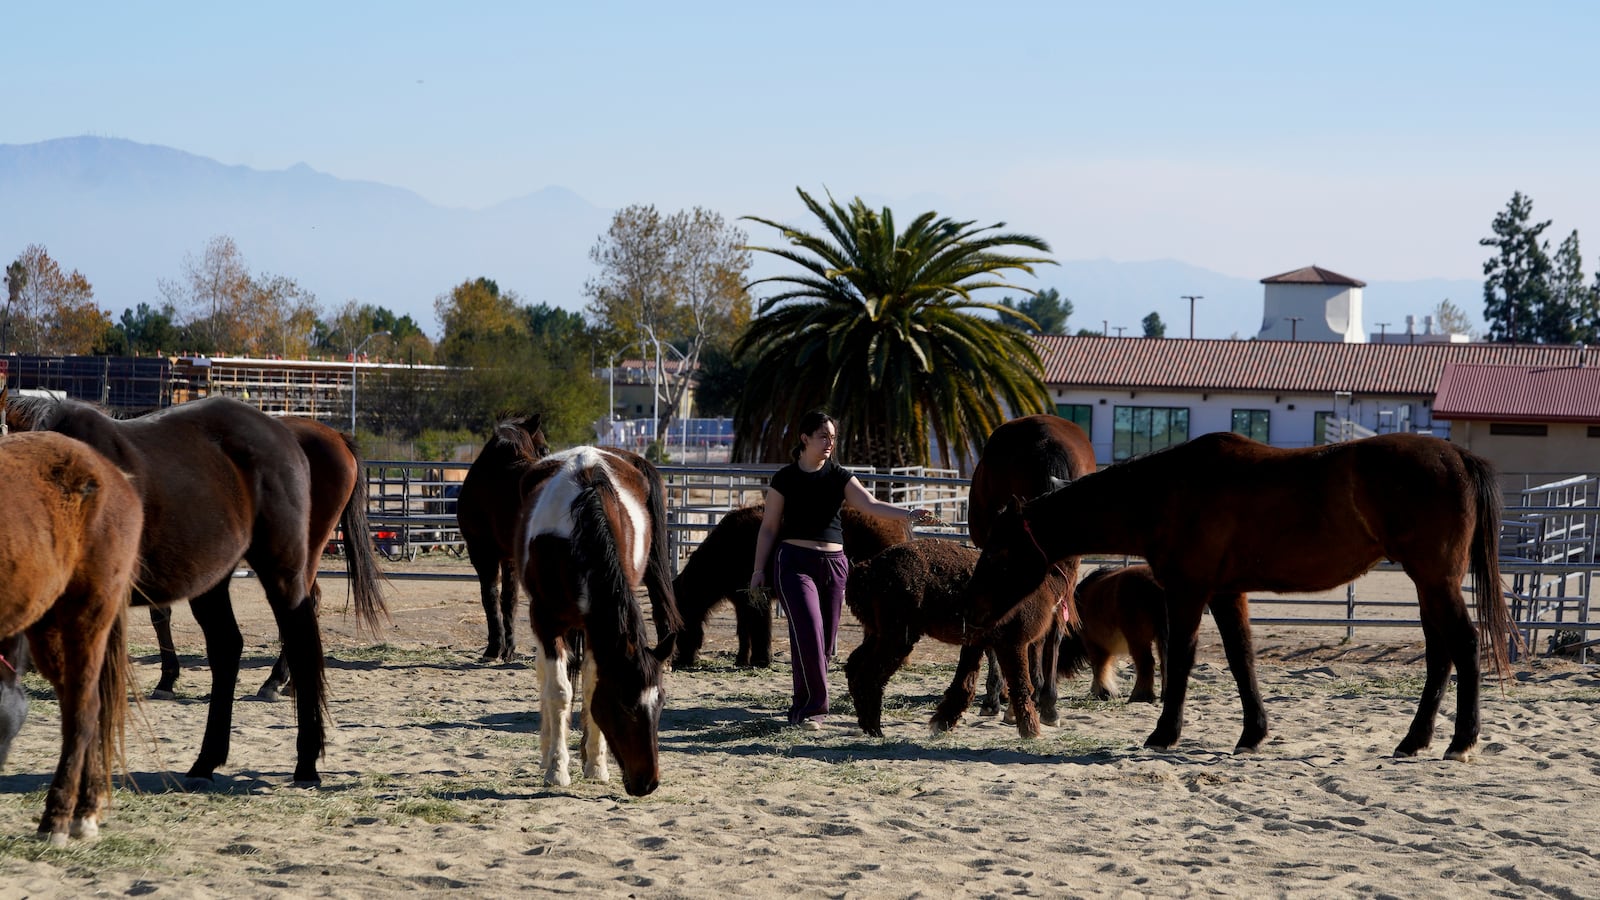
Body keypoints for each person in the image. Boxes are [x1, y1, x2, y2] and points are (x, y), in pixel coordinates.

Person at [750, 410, 932, 730]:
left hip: (835, 566)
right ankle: (812, 710)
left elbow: (870, 504)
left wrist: (908, 513)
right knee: (808, 630)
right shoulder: (785, 479)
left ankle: (803, 700)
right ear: (805, 438)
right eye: (823, 436)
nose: (830, 442)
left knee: (825, 644)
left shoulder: (839, 476)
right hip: (794, 563)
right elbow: (768, 528)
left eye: (833, 437)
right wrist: (757, 570)